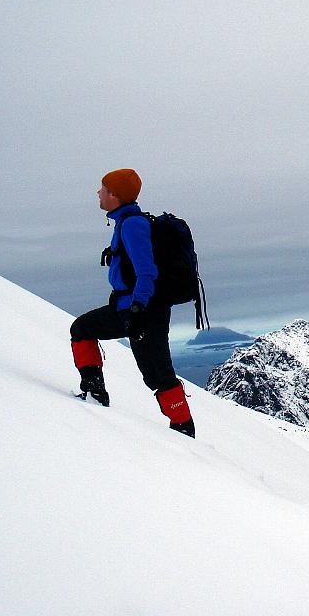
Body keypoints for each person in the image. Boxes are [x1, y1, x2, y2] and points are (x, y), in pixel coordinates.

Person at [69, 168, 196, 438]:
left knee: (158, 374)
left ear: (115, 195)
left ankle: (183, 428)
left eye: (103, 188)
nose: (98, 193)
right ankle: (94, 392)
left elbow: (147, 271)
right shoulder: (124, 222)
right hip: (130, 308)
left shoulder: (132, 225)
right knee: (82, 329)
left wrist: (138, 308)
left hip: (143, 311)